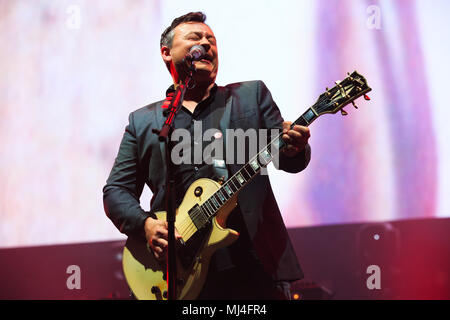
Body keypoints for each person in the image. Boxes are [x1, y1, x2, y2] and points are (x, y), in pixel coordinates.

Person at [103, 12, 311, 300]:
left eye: (211, 40)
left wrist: (295, 147)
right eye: (195, 38)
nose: (206, 44)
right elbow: (116, 191)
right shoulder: (144, 122)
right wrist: (147, 225)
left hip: (255, 268)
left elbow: (289, 158)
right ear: (166, 53)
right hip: (179, 272)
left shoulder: (250, 96)